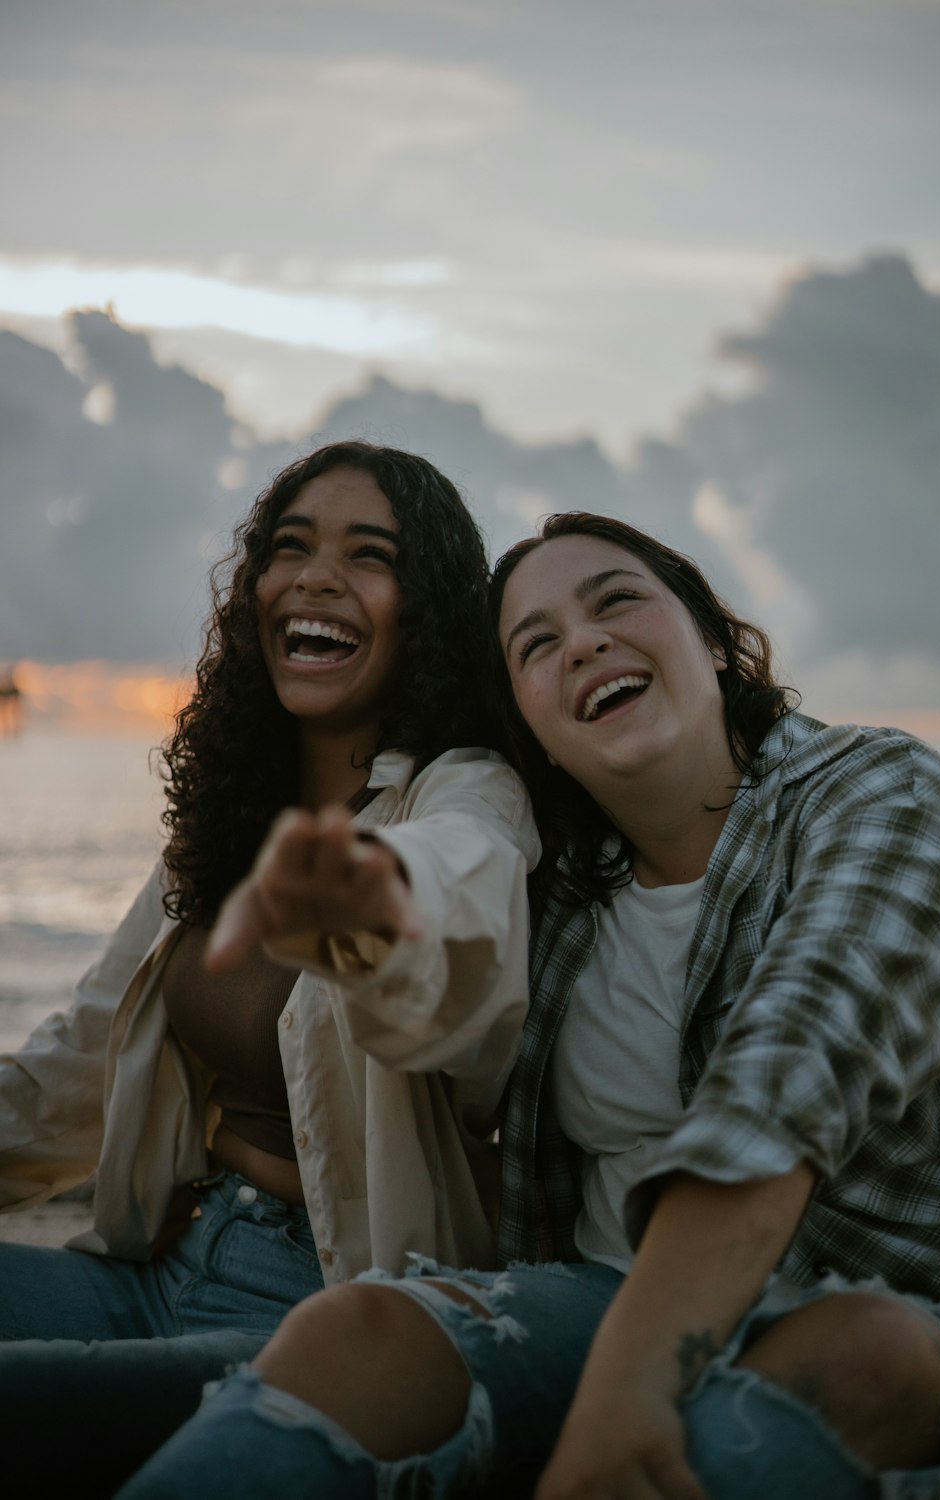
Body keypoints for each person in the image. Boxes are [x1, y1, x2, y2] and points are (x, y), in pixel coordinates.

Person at [113, 511, 940, 1500]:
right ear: (528, 721)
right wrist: (366, 918)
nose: (582, 642)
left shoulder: (881, 793)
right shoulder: (561, 889)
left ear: (710, 638)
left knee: (861, 1357)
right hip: (599, 1293)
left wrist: (622, 1397)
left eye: (616, 600)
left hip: (903, 1307)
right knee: (357, 1331)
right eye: (536, 645)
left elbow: (784, 1086)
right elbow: (450, 965)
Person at [0, 441, 537, 1494]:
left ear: (425, 608)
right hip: (162, 1264)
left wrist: (369, 902)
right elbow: (83, 1068)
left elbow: (462, 926)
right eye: (289, 547)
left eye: (368, 555)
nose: (316, 575)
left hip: (331, 1313)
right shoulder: (222, 819)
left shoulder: (465, 796)